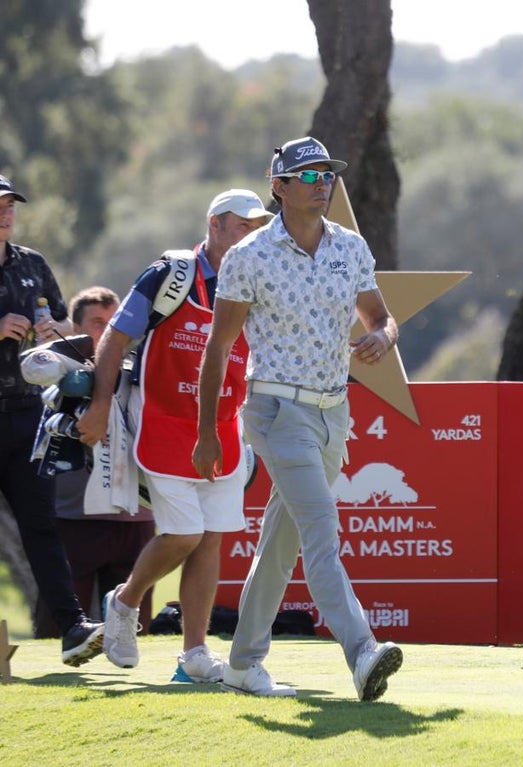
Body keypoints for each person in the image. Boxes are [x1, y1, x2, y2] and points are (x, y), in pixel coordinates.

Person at [192, 136, 404, 701]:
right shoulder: (248, 256)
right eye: (308, 176)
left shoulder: (351, 248)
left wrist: (381, 339)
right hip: (276, 410)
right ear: (279, 186)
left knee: (281, 544)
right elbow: (218, 347)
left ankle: (241, 663)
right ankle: (362, 652)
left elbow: (381, 318)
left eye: (328, 175)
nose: (322, 184)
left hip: (335, 413)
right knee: (321, 531)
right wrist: (208, 429)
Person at [76, 189, 272, 682]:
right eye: (242, 225)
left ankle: (194, 655)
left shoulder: (260, 278)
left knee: (210, 540)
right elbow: (116, 337)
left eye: (257, 227)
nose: (252, 235)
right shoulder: (172, 274)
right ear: (215, 224)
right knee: (183, 534)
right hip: (163, 421)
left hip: (225, 426)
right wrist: (100, 405)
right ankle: (125, 601)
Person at [0, 173, 106, 665]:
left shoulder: (32, 265)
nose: (5, 212)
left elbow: (67, 328)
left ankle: (72, 628)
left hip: (27, 416)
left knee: (41, 526)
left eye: (9, 205)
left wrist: (52, 331)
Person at [32, 287, 156, 638]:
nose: (108, 331)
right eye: (97, 323)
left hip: (136, 517)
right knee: (58, 627)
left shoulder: (143, 369)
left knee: (134, 627)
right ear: (74, 327)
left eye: (115, 321)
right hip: (74, 518)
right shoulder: (57, 372)